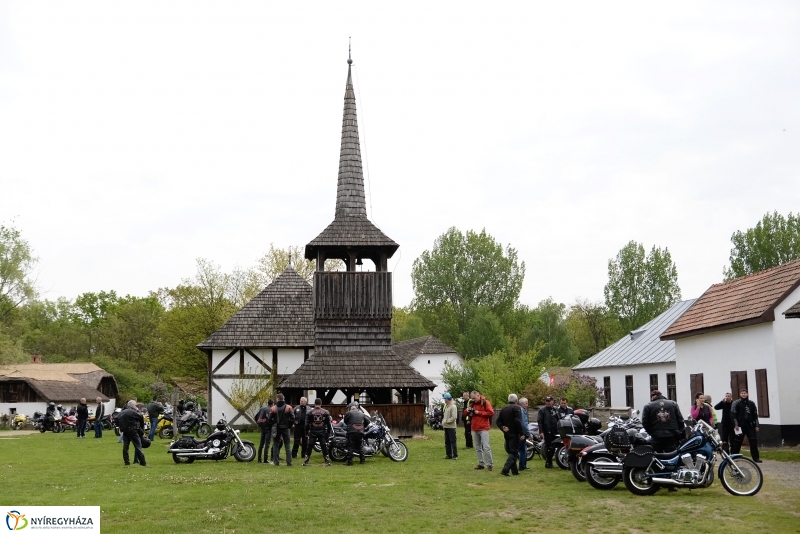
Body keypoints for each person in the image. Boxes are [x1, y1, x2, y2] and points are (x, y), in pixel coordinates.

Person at [731, 389, 761, 463]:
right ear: (740, 394)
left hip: (750, 425)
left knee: (753, 441)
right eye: (742, 393)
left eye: (745, 393)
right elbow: (733, 414)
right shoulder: (736, 403)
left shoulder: (751, 403)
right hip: (740, 426)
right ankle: (734, 457)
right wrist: (736, 424)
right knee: (737, 442)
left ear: (747, 394)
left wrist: (756, 425)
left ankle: (756, 458)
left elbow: (755, 415)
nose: (743, 394)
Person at [497, 393, 524, 476]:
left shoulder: (504, 409)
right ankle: (505, 469)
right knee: (514, 452)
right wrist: (521, 432)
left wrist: (502, 427)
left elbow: (498, 421)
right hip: (514, 432)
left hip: (507, 433)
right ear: (516, 400)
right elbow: (517, 421)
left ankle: (515, 471)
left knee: (511, 452)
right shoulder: (517, 408)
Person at [116, 400, 147, 467]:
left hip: (125, 431)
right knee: (138, 446)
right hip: (133, 430)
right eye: (135, 405)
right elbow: (140, 416)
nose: (136, 406)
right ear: (133, 405)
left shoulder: (122, 412)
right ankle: (143, 462)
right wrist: (138, 410)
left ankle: (126, 462)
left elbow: (116, 419)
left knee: (125, 447)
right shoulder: (132, 412)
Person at [469, 390, 494, 471]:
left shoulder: (485, 402)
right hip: (475, 427)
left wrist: (479, 412)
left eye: (474, 398)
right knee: (478, 447)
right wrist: (468, 411)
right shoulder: (472, 404)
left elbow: (491, 413)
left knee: (486, 447)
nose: (473, 399)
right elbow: (466, 414)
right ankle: (481, 463)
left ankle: (489, 464)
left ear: (478, 395)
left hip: (483, 428)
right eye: (472, 398)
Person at [303, 398, 331, 466]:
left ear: (314, 403)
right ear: (321, 403)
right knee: (323, 446)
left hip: (313, 431)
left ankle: (306, 461)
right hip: (322, 431)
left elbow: (306, 424)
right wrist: (327, 434)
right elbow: (329, 425)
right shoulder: (326, 412)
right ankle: (327, 461)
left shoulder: (309, 412)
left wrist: (306, 433)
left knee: (310, 446)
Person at [268, 394, 295, 466]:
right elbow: (293, 418)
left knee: (276, 444)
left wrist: (273, 425)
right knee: (287, 445)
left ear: (277, 399)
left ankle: (276, 462)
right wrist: (289, 426)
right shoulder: (289, 407)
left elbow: (269, 419)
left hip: (276, 428)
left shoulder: (273, 408)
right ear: (284, 398)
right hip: (286, 428)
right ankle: (289, 462)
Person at [537, 396, 559, 468]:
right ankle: (548, 462)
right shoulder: (542, 410)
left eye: (549, 401)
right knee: (549, 447)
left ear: (552, 401)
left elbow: (558, 419)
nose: (548, 402)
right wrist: (541, 432)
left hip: (555, 431)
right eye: (547, 401)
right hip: (547, 431)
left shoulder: (555, 409)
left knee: (554, 447)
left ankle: (549, 462)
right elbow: (539, 421)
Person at [343, 401, 368, 465]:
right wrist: (363, 426)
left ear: (351, 407)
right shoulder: (362, 413)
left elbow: (345, 421)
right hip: (360, 432)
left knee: (350, 446)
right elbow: (367, 421)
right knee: (360, 446)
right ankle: (362, 460)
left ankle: (349, 462)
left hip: (352, 432)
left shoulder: (349, 413)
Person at [255, 399, 274, 464]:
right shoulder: (270, 409)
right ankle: (265, 459)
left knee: (261, 444)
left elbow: (256, 416)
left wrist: (259, 424)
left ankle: (259, 459)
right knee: (267, 444)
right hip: (268, 428)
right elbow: (270, 419)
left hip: (262, 428)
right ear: (272, 404)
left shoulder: (262, 408)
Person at [442, 393, 458, 460]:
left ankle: (455, 455)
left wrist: (446, 421)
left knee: (452, 441)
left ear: (447, 399)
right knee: (447, 441)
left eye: (445, 399)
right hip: (446, 426)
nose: (444, 400)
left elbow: (454, 417)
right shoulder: (447, 406)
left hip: (451, 427)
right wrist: (443, 422)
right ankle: (449, 455)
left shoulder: (453, 407)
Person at [518, 398, 532, 471]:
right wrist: (528, 433)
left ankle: (522, 465)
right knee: (523, 450)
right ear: (522, 404)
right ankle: (522, 466)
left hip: (518, 432)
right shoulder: (522, 411)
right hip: (522, 433)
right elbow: (524, 424)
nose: (527, 405)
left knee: (521, 449)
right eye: (526, 403)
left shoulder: (518, 410)